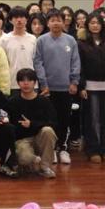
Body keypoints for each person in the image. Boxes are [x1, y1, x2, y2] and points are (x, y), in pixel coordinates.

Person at [34, 9, 81, 165]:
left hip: (66, 88)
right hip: (48, 89)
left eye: (59, 20)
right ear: (47, 23)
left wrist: (74, 82)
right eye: (52, 20)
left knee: (65, 120)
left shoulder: (71, 40)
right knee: (49, 120)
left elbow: (75, 62)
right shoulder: (41, 40)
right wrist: (43, 84)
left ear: (63, 22)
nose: (56, 23)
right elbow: (38, 63)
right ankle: (52, 150)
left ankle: (63, 149)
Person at [78, 10, 105, 163]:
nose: (95, 26)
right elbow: (80, 67)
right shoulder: (82, 44)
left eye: (98, 23)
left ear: (103, 25)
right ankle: (93, 149)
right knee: (93, 119)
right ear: (87, 25)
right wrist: (81, 86)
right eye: (92, 23)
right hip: (90, 87)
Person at [7, 68, 58, 177]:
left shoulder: (44, 101)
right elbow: (10, 126)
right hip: (22, 140)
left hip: (40, 138)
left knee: (48, 130)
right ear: (18, 83)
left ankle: (45, 167)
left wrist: (32, 124)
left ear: (35, 83)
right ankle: (31, 160)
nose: (26, 83)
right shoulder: (13, 102)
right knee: (25, 159)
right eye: (22, 80)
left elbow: (53, 122)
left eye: (29, 80)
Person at [0, 7, 37, 92]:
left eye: (22, 17)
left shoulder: (33, 39)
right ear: (10, 20)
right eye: (16, 17)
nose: (19, 20)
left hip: (31, 82)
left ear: (27, 19)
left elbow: (35, 61)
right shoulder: (4, 39)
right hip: (12, 83)